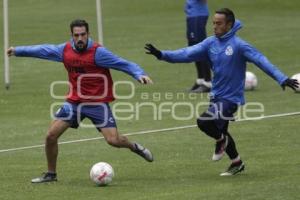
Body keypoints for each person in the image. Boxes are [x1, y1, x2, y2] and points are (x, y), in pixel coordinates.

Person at [145, 8, 298, 176]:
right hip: (216, 96)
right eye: (213, 23)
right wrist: (161, 54)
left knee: (204, 122)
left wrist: (282, 78)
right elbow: (186, 53)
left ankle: (221, 141)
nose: (214, 27)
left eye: (219, 23)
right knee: (221, 130)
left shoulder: (240, 46)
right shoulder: (210, 43)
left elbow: (262, 61)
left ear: (229, 25)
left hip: (231, 99)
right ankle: (237, 162)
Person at [7, 19, 154, 183]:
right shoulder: (64, 50)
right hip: (74, 103)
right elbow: (43, 50)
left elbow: (123, 64)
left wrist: (138, 73)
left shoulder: (98, 53)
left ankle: (134, 147)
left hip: (97, 104)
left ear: (88, 34)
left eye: (83, 35)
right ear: (71, 36)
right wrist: (18, 50)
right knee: (50, 136)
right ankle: (51, 174)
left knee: (113, 140)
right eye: (76, 35)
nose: (80, 38)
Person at [185, 0, 211, 93]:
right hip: (192, 15)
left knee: (200, 48)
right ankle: (200, 80)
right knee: (193, 47)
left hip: (198, 15)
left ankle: (208, 82)